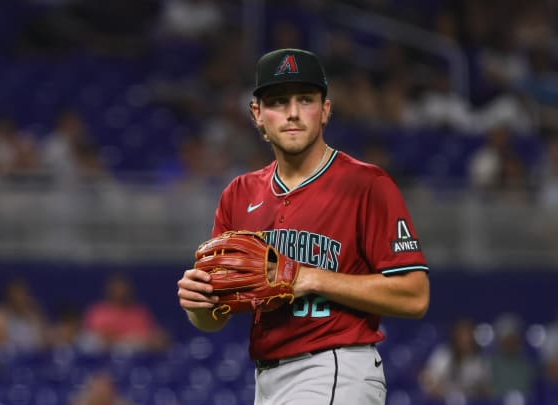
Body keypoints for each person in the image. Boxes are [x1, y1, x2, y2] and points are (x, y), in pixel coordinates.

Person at [176, 48, 430, 404]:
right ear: (257, 114)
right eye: (278, 101)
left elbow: (415, 295)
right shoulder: (238, 193)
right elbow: (213, 319)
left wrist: (307, 278)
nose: (293, 113)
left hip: (334, 367)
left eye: (305, 99)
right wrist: (199, 305)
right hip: (267, 379)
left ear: (325, 110)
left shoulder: (367, 184)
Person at [419, 318, 491, 401]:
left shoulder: (479, 360)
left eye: (468, 335)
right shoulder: (444, 354)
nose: (465, 340)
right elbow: (427, 380)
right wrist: (441, 391)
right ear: (455, 337)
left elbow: (487, 389)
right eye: (462, 335)